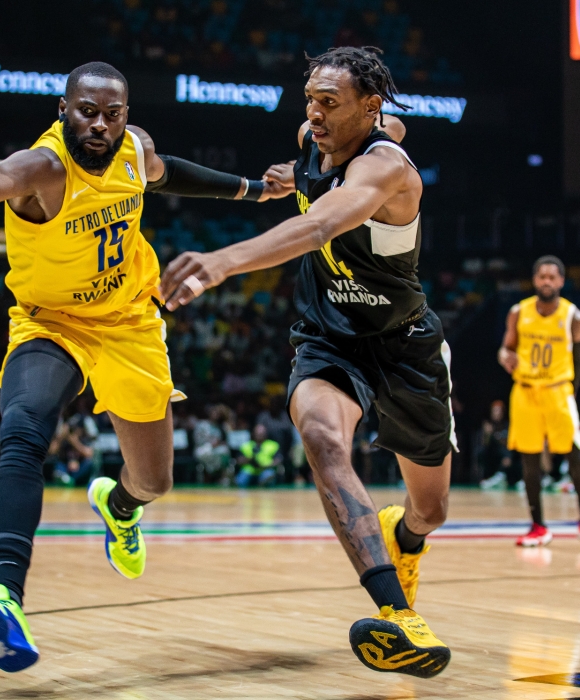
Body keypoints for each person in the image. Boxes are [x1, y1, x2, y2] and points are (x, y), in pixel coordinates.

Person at [0, 61, 288, 672]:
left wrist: (255, 190)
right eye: (87, 112)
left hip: (129, 322)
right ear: (63, 109)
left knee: (154, 481)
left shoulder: (134, 149)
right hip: (51, 323)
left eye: (112, 113)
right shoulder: (42, 169)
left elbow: (169, 174)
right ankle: (6, 597)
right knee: (24, 427)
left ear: (125, 114)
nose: (100, 124)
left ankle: (120, 507)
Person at [160, 46, 451, 677]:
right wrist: (297, 174)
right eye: (310, 99)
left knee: (431, 510)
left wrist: (220, 262)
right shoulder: (312, 139)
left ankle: (407, 539)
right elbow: (328, 162)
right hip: (330, 339)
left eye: (330, 102)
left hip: (405, 345)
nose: (314, 114)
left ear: (369, 106)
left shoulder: (388, 171)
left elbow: (320, 227)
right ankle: (398, 616)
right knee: (321, 437)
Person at [497, 256, 580, 548]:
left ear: (561, 281)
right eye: (542, 277)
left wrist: (571, 391)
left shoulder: (576, 317)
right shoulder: (517, 312)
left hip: (559, 390)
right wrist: (504, 357)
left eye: (552, 277)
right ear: (535, 280)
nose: (547, 282)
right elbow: (506, 349)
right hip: (524, 390)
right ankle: (538, 526)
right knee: (529, 459)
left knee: (575, 455)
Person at [478, 401, 516, 490]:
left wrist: (494, 434)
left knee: (508, 454)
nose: (497, 413)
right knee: (481, 452)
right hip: (492, 453)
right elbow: (485, 444)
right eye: (495, 411)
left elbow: (506, 443)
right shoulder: (488, 426)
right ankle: (488, 478)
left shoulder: (507, 425)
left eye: (499, 411)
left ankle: (501, 476)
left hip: (504, 453)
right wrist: (487, 434)